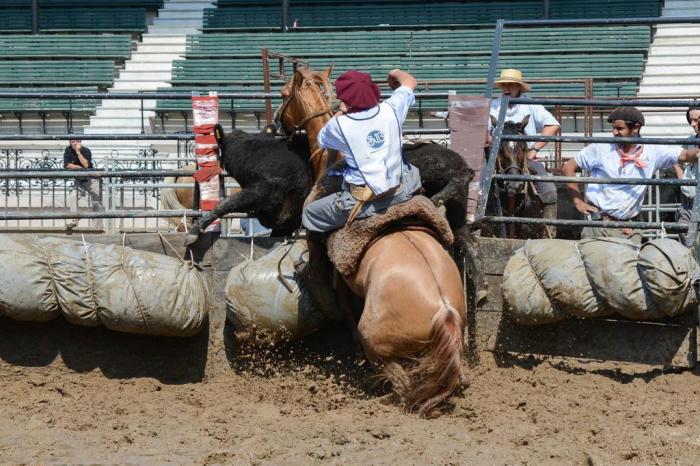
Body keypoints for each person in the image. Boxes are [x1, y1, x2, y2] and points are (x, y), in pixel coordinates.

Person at [301, 68, 422, 232]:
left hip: (364, 201)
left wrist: (342, 110)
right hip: (401, 190)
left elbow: (321, 138)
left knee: (309, 213)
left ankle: (321, 255)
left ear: (346, 100)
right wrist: (393, 73)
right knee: (412, 170)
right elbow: (410, 81)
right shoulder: (392, 107)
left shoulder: (338, 126)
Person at [561, 107, 700, 244]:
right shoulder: (600, 148)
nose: (614, 132)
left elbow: (685, 155)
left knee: (628, 265)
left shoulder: (652, 150)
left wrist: (697, 152)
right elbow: (569, 167)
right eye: (613, 128)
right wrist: (577, 201)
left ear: (636, 128)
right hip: (598, 225)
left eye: (620, 128)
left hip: (628, 228)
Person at [488, 68, 560, 207]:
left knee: (549, 191)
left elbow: (553, 125)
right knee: (476, 188)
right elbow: (483, 130)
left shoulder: (531, 105)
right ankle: (476, 226)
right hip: (497, 159)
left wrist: (534, 149)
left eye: (511, 84)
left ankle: (549, 228)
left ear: (519, 87)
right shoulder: (493, 105)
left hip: (525, 158)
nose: (506, 88)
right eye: (504, 84)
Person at [673, 105, 700, 242]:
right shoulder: (690, 140)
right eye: (691, 120)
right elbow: (676, 161)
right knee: (686, 243)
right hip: (688, 203)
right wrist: (683, 181)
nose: (693, 124)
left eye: (697, 119)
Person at [63, 138, 103, 229]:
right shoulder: (68, 150)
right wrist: (78, 168)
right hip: (79, 180)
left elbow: (86, 165)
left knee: (96, 202)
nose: (74, 143)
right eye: (72, 142)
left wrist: (78, 152)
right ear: (69, 143)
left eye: (76, 141)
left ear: (80, 142)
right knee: (73, 196)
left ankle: (98, 228)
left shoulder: (86, 151)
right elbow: (66, 165)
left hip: (91, 179)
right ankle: (75, 220)